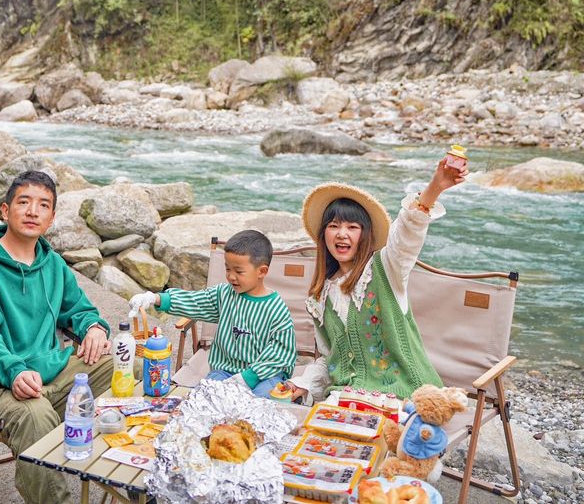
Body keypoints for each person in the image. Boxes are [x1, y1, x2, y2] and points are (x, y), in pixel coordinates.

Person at [0, 170, 113, 504]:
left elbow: (78, 309)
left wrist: (93, 328)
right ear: (5, 211)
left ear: (51, 218)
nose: (33, 211)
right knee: (35, 416)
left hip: (48, 375)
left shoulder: (53, 264)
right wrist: (14, 370)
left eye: (43, 205)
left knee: (127, 366)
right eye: (24, 202)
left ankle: (132, 485)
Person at [288, 157, 467, 403]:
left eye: (352, 227)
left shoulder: (387, 268)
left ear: (366, 234)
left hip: (405, 398)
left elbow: (408, 231)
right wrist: (304, 384)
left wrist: (435, 187)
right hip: (347, 396)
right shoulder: (320, 296)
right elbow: (331, 359)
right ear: (323, 235)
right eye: (333, 226)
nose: (342, 234)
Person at [128, 229, 297, 398]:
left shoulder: (276, 308)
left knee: (268, 401)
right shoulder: (224, 294)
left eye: (239, 271)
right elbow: (195, 301)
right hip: (225, 371)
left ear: (261, 271)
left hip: (264, 375)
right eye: (227, 269)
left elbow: (281, 352)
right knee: (204, 397)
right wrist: (156, 298)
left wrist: (249, 377)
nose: (231, 276)